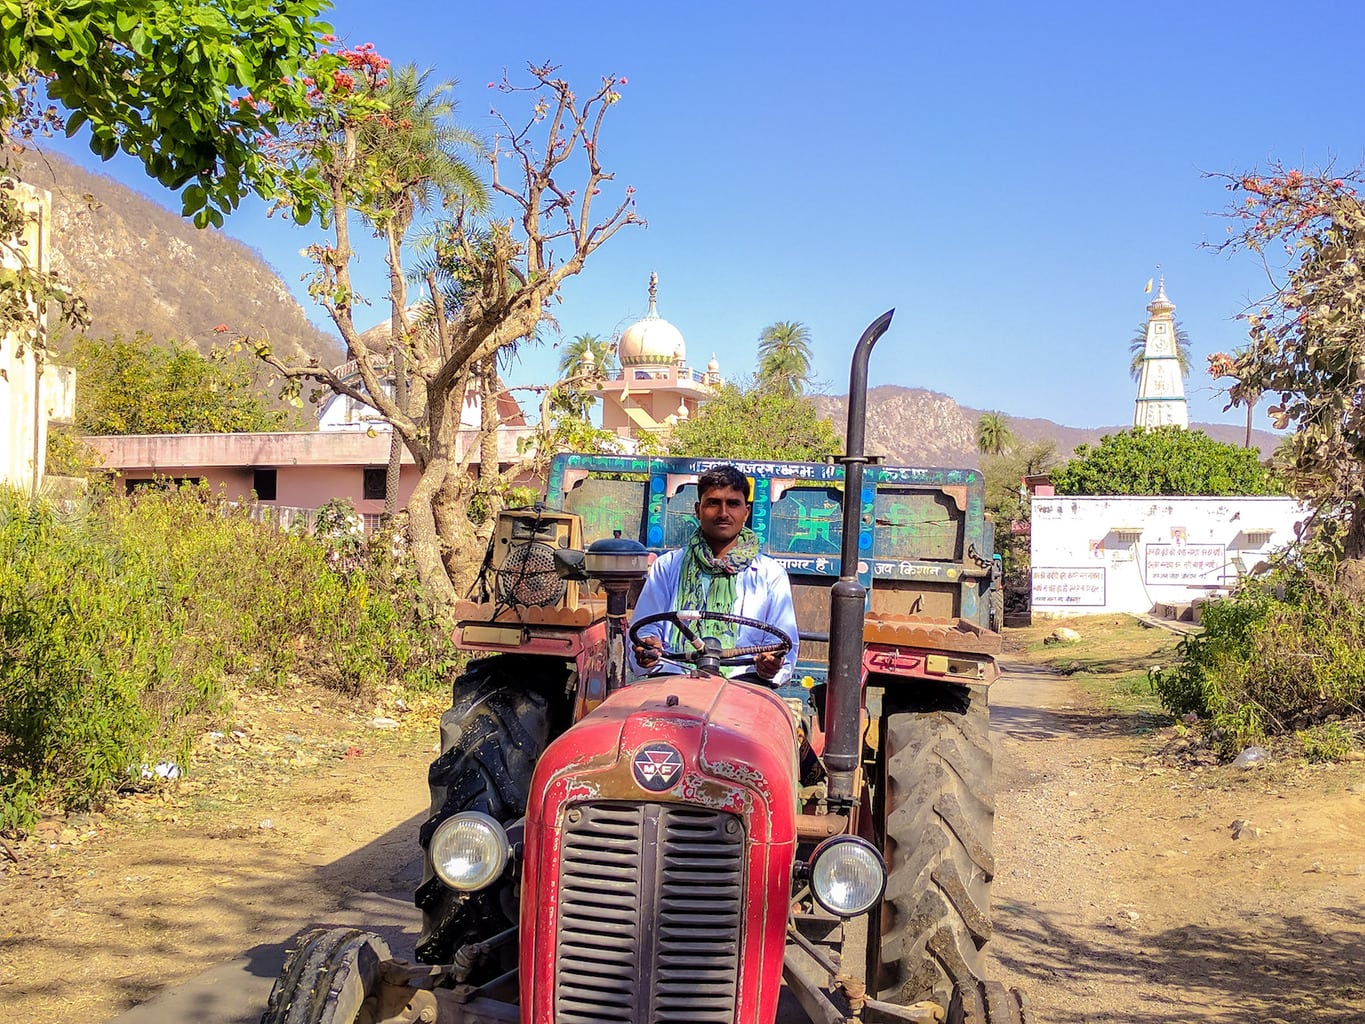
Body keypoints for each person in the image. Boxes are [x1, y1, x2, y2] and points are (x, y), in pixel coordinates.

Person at [629, 464, 799, 684]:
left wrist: (770, 664)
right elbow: (645, 629)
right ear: (698, 510)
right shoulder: (667, 566)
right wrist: (647, 649)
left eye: (733, 504)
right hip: (671, 683)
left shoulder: (770, 574)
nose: (723, 513)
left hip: (745, 688)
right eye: (713, 503)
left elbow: (783, 646)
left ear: (746, 512)